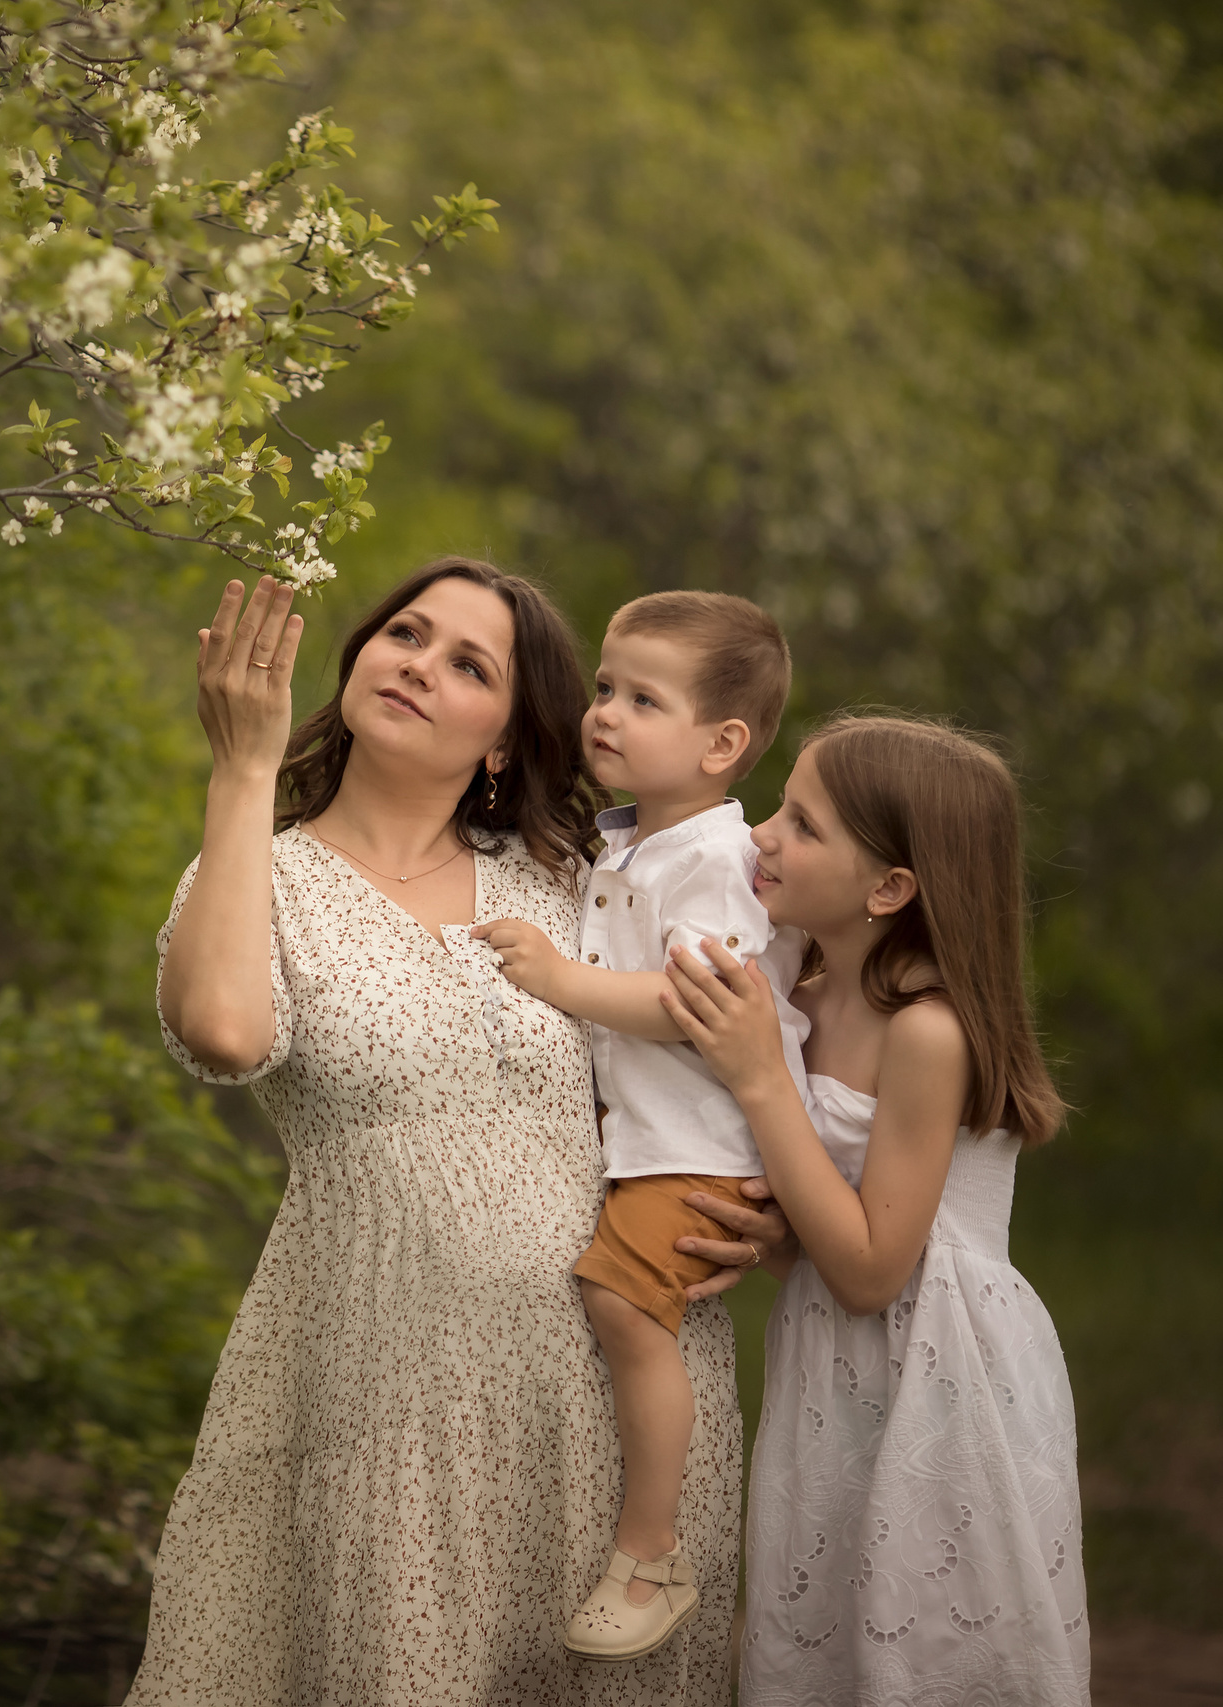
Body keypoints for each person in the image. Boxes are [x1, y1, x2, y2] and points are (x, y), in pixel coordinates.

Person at [138, 559, 785, 1707]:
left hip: (613, 1398)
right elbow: (228, 1033)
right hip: (388, 1400)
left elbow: (719, 1047)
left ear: (503, 736)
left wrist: (762, 1207)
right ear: (354, 667)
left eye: (468, 663)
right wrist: (242, 769)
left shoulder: (571, 881)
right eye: (405, 635)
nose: (420, 665)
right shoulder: (259, 873)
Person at [656, 713, 1089, 1705]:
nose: (760, 833)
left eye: (801, 825)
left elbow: (872, 1271)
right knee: (830, 1638)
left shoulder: (926, 1030)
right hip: (835, 1372)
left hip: (943, 1376)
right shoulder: (805, 984)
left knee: (926, 1648)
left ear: (888, 889)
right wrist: (775, 1237)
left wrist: (763, 1079)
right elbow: (830, 1234)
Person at [472, 592, 814, 1662]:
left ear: (723, 745)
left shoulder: (713, 858)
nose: (605, 713)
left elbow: (690, 1006)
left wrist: (556, 976)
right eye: (606, 688)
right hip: (655, 1138)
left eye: (642, 698)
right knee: (616, 1306)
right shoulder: (632, 842)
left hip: (700, 1145)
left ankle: (650, 1549)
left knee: (620, 1305)